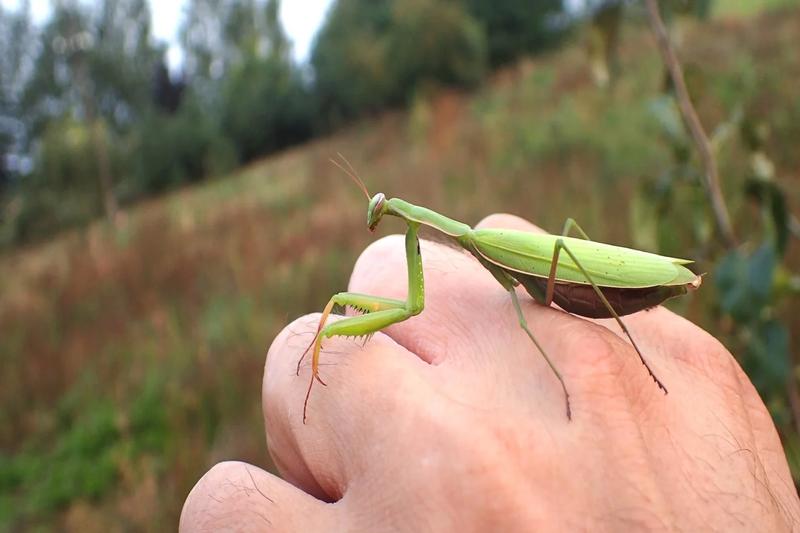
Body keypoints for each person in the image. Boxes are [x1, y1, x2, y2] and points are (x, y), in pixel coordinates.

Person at [180, 214, 800, 531]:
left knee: (560, 250)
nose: (378, 219)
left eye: (382, 213)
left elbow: (528, 306)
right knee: (555, 248)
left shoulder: (474, 241)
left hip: (594, 281)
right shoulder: (466, 242)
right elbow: (416, 303)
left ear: (397, 215)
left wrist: (566, 377)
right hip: (569, 279)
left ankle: (631, 343)